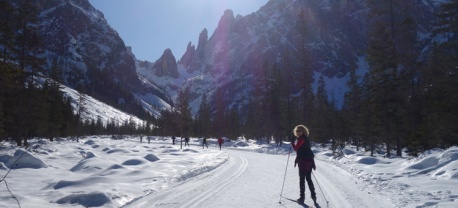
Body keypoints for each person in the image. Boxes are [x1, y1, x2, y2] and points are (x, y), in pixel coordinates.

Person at [291, 125, 316, 205]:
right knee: (308, 179)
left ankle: (302, 198)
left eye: (300, 131)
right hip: (309, 161)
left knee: (302, 179)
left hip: (303, 162)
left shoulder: (301, 139)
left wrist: (292, 142)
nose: (298, 133)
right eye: (297, 131)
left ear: (303, 131)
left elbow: (296, 148)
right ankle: (313, 196)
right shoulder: (305, 138)